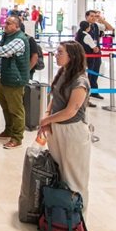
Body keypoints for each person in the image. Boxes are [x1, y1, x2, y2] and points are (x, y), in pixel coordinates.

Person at [37, 41, 92, 212]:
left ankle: (76, 218)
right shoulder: (64, 73)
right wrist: (47, 116)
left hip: (72, 131)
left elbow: (71, 111)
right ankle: (58, 214)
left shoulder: (80, 81)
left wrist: (46, 120)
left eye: (60, 52)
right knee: (59, 170)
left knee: (74, 177)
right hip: (56, 128)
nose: (56, 55)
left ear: (72, 56)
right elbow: (55, 98)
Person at [0, 16, 30, 149]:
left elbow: (3, 51)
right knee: (6, 108)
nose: (5, 25)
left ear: (17, 26)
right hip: (2, 78)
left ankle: (17, 137)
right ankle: (8, 130)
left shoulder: (19, 39)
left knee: (16, 109)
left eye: (8, 23)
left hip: (14, 81)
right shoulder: (6, 37)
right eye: (5, 23)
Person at [85, 10, 113, 99]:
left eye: (95, 16)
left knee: (95, 72)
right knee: (88, 73)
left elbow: (110, 28)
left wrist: (101, 19)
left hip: (97, 53)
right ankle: (86, 94)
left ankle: (94, 91)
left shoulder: (97, 25)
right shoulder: (84, 26)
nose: (93, 18)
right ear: (86, 17)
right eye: (91, 16)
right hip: (88, 53)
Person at [75, 20, 99, 108]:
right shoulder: (87, 36)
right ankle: (86, 99)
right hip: (88, 59)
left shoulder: (79, 34)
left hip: (81, 58)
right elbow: (94, 48)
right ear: (87, 27)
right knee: (87, 79)